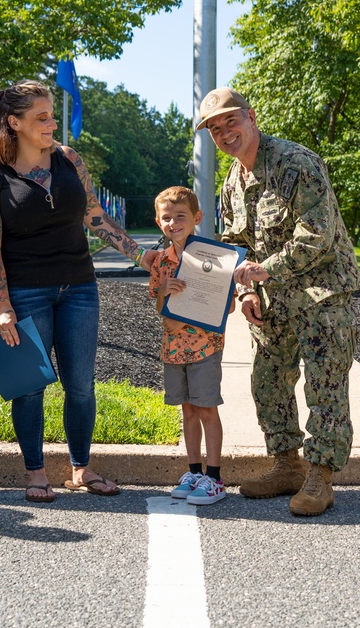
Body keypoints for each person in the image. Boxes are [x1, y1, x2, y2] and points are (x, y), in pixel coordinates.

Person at [0, 80, 157, 503]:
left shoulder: (70, 160)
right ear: (14, 123)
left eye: (52, 115)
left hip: (79, 287)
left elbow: (95, 216)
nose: (51, 123)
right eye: (41, 118)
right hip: (25, 292)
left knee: (81, 385)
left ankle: (80, 467)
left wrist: (140, 256)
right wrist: (2, 305)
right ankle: (35, 473)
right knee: (30, 386)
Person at [200, 87, 360, 517]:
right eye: (215, 129)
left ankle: (320, 475)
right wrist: (246, 289)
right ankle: (286, 464)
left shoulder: (296, 163)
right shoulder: (233, 181)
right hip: (271, 302)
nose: (224, 133)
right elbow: (235, 244)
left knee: (325, 384)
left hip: (321, 294)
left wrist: (263, 271)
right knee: (268, 382)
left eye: (231, 121)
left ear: (251, 117)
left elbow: (316, 235)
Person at [149, 186, 232, 506]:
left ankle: (214, 477)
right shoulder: (160, 262)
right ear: (159, 223)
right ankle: (193, 471)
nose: (173, 223)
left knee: (207, 409)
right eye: (166, 218)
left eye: (180, 216)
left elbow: (227, 308)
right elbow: (158, 308)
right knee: (188, 411)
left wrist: (184, 319)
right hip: (173, 351)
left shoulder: (214, 258)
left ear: (196, 218)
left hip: (205, 348)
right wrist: (164, 294)